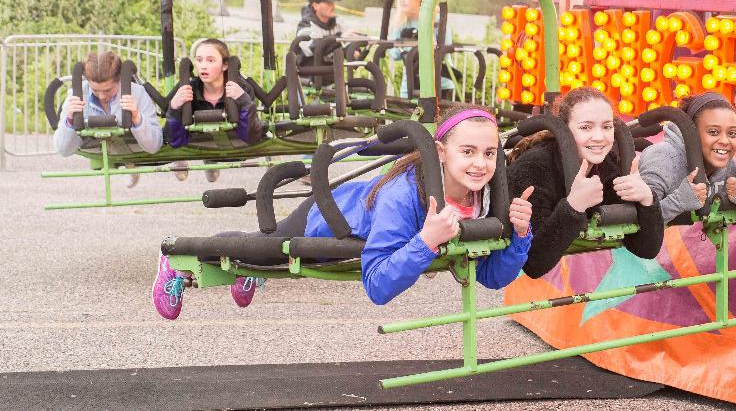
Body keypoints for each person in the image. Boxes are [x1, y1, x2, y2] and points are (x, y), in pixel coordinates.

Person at [151, 105, 534, 319]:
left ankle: (251, 269)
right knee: (265, 248)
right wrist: (426, 242)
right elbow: (377, 286)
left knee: (263, 254)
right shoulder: (403, 195)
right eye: (468, 151)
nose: (480, 164)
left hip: (366, 229)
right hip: (326, 219)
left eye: (489, 153)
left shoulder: (484, 197)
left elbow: (490, 278)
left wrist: (520, 237)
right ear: (440, 152)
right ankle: (175, 256)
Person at [506, 87, 665, 279]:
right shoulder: (533, 167)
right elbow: (533, 264)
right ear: (564, 130)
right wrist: (573, 206)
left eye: (607, 127)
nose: (599, 137)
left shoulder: (608, 165)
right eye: (586, 127)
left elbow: (646, 249)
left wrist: (648, 200)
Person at [637, 92, 736, 235]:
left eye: (732, 133)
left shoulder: (730, 168)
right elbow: (639, 228)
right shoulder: (663, 159)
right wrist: (677, 201)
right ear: (692, 133)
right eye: (713, 132)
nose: (725, 141)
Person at [165, 39, 264, 181]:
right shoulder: (189, 89)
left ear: (225, 65)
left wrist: (244, 101)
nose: (203, 66)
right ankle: (206, 159)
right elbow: (174, 140)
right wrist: (173, 108)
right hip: (198, 143)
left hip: (236, 143)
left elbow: (251, 136)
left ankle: (211, 160)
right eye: (199, 60)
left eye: (210, 60)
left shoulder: (242, 89)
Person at [54, 51, 163, 157]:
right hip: (96, 150)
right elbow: (63, 150)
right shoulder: (76, 94)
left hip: (134, 150)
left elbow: (154, 146)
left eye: (107, 90)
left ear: (119, 80)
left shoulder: (138, 93)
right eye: (95, 90)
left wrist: (136, 117)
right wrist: (70, 120)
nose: (102, 96)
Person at [384, 0, 455, 99]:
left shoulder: (437, 20)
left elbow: (446, 48)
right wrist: (405, 45)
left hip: (439, 81)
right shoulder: (401, 23)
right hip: (411, 82)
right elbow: (394, 54)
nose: (402, 0)